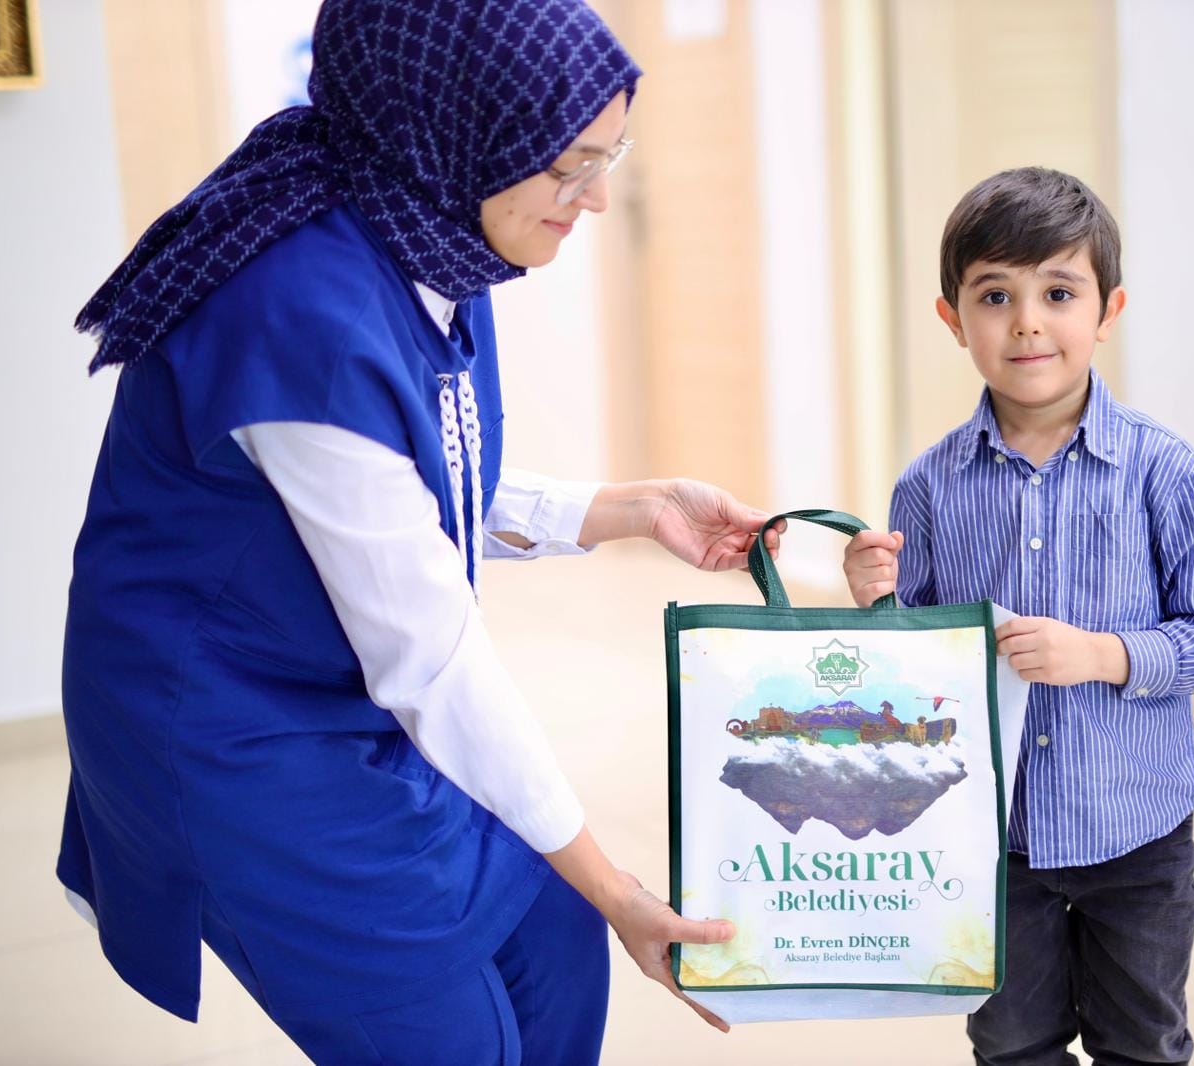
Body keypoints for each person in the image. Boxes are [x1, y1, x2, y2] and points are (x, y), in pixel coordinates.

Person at [57, 2, 772, 1061]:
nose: (598, 197)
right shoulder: (305, 317)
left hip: (337, 678)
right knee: (459, 1035)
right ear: (457, 123)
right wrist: (622, 890)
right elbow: (430, 658)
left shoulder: (428, 227)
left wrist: (630, 508)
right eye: (572, 165)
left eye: (610, 156)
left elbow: (414, 476)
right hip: (229, 728)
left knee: (557, 941)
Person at [842, 167, 1194, 1065]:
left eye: (1059, 293)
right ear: (953, 318)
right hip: (991, 840)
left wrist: (1105, 655)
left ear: (1108, 311)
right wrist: (877, 603)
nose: (1027, 321)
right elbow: (912, 666)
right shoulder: (930, 485)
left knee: (1143, 1042)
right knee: (1011, 1043)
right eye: (996, 296)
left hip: (1136, 833)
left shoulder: (1165, 471)